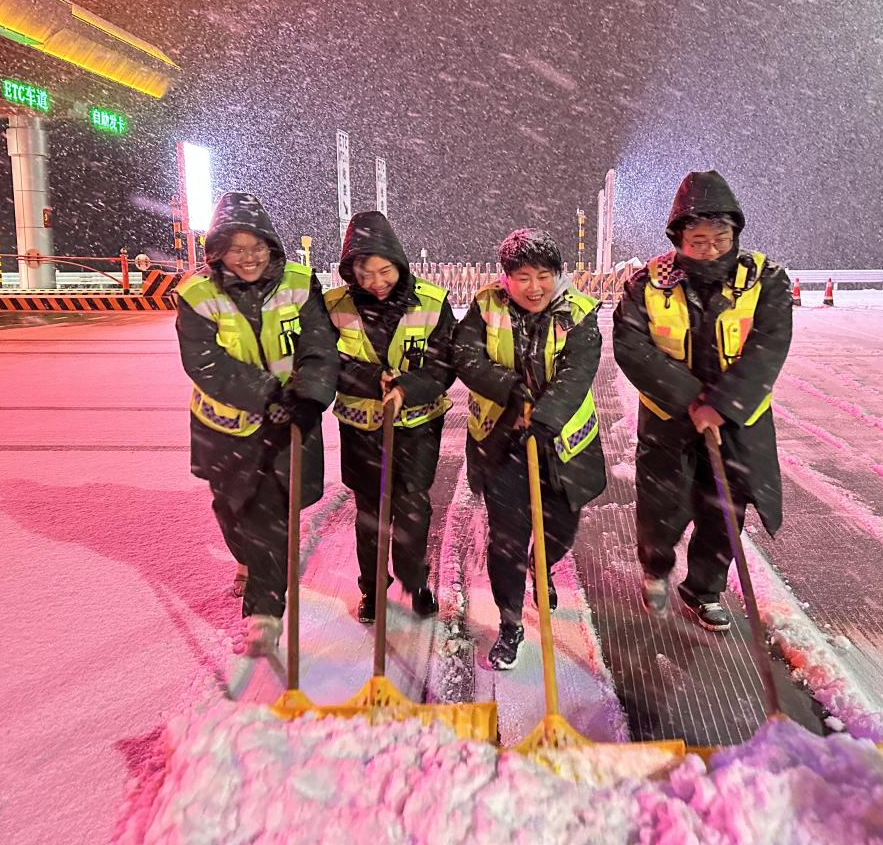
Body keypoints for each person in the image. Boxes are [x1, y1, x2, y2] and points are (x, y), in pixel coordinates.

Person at [614, 170, 792, 630]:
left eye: (720, 237)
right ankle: (656, 569)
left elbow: (768, 347)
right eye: (697, 239)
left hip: (738, 424)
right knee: (662, 509)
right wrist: (693, 400)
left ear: (735, 232)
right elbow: (633, 348)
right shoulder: (645, 285)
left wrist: (722, 405)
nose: (710, 248)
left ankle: (704, 589)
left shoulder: (765, 280)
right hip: (669, 421)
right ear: (678, 238)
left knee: (723, 517)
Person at [175, 192, 338, 657]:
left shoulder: (299, 284)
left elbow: (319, 349)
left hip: (286, 425)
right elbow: (204, 361)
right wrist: (268, 393)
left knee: (269, 515)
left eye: (256, 248)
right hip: (225, 425)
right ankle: (247, 560)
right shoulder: (197, 294)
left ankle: (264, 612)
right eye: (236, 249)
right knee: (230, 508)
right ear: (218, 251)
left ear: (271, 246)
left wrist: (307, 398)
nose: (248, 258)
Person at [454, 229, 606, 669]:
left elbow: (579, 372)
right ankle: (509, 622)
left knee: (559, 528)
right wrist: (508, 388)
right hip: (502, 444)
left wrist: (544, 417)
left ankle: (544, 565)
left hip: (561, 445)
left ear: (558, 275)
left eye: (543, 275)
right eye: (522, 276)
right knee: (507, 539)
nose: (534, 287)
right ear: (506, 279)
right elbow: (466, 355)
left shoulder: (578, 312)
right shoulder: (487, 306)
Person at [324, 211, 456, 624]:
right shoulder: (332, 306)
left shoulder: (432, 302)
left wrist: (406, 388)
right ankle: (371, 588)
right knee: (370, 514)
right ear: (351, 272)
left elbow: (444, 366)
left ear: (399, 264)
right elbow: (326, 362)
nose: (377, 282)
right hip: (362, 429)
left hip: (418, 427)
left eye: (385, 271)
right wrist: (372, 379)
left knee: (413, 508)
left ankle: (415, 580)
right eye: (365, 273)